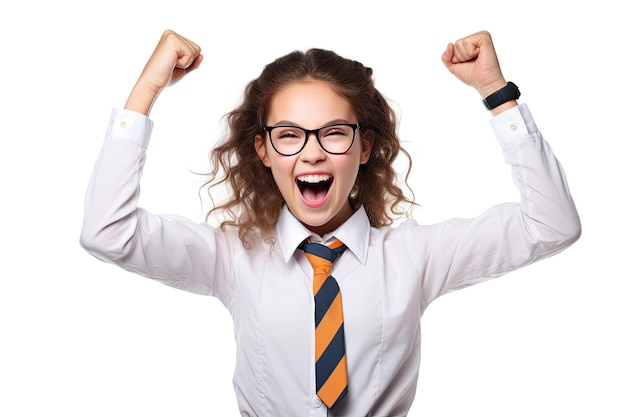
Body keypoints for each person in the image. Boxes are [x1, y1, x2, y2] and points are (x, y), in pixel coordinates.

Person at [80, 29, 581, 416]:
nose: (313, 153)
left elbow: (552, 224)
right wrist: (147, 88)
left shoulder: (415, 257)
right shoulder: (232, 259)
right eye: (289, 134)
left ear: (364, 147)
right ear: (263, 149)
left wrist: (496, 91)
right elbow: (108, 231)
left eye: (335, 133)